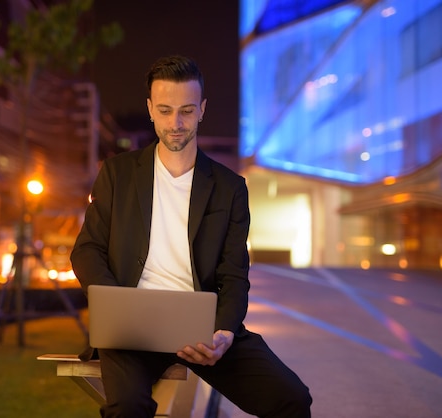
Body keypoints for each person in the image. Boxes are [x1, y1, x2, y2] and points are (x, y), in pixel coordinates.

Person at [70, 55, 312, 417]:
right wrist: (116, 304)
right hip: (131, 326)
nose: (176, 123)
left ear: (202, 110)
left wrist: (224, 333)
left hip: (202, 328)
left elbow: (234, 274)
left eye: (186, 110)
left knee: (291, 399)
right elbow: (87, 250)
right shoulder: (118, 174)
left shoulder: (230, 189)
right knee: (128, 408)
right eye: (165, 111)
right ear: (150, 109)